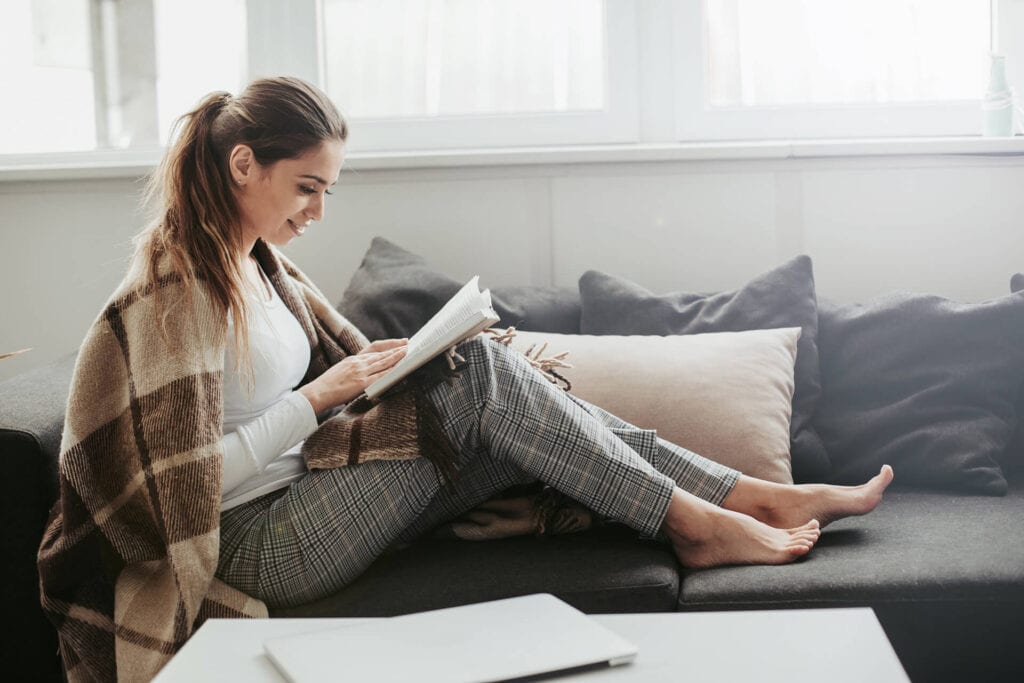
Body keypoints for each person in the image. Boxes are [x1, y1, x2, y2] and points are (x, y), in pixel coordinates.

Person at [38, 76, 893, 682]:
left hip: (317, 493)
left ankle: (743, 494)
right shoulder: (173, 293)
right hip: (257, 543)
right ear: (242, 166)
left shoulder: (260, 269)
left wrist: (391, 369)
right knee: (483, 381)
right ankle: (704, 517)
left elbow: (342, 377)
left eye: (328, 189)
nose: (317, 211)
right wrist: (318, 399)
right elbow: (181, 494)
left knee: (518, 394)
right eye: (306, 186)